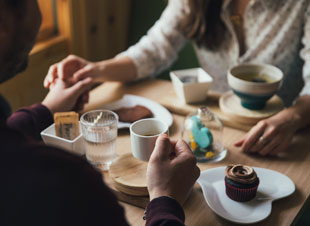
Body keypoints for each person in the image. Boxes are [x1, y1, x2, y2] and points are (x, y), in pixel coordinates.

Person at [0, 0, 200, 225]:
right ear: (4, 23)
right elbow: (156, 46)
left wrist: (47, 109)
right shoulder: (68, 183)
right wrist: (165, 199)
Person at [44, 0, 310, 156]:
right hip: (211, 125)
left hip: (283, 137)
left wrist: (293, 116)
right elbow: (154, 49)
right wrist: (94, 70)